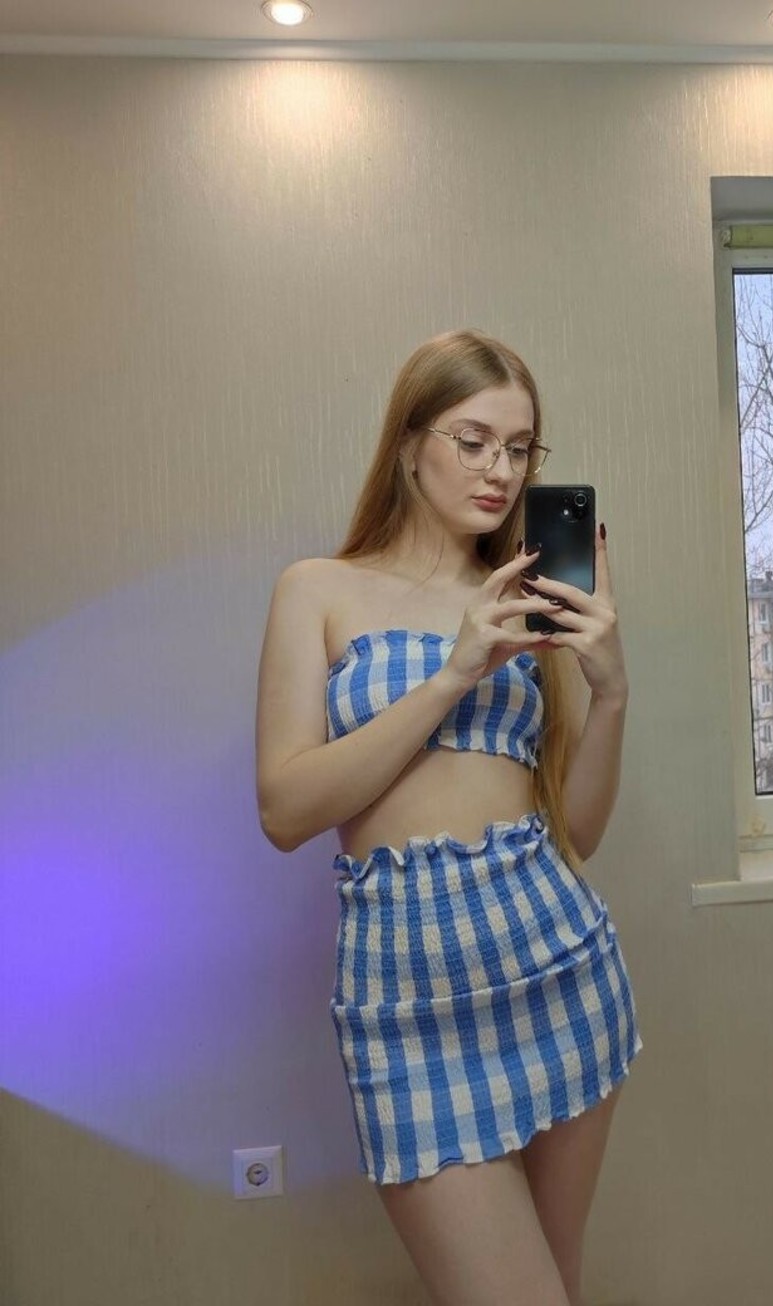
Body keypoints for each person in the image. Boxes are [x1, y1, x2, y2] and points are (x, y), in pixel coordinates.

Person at [255, 328, 643, 1306]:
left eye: (519, 449)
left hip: (557, 968)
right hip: (408, 1007)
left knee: (558, 1287)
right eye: (473, 441)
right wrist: (455, 671)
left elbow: (577, 835)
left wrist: (611, 693)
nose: (499, 471)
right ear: (409, 443)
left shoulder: (523, 601)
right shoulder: (318, 590)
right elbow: (285, 810)